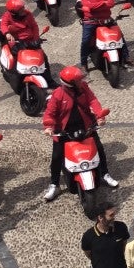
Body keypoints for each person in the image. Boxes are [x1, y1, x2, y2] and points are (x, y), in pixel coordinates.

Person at [41, 65, 118, 201]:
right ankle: (54, 184)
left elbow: (92, 100)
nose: (81, 82)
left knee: (99, 149)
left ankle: (104, 174)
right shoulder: (58, 94)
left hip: (86, 126)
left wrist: (100, 115)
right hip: (64, 131)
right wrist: (48, 126)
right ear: (70, 84)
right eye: (77, 80)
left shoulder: (83, 87)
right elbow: (50, 113)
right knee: (57, 157)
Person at [78, 0, 132, 70]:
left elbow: (111, 3)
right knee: (85, 41)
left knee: (119, 35)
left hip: (106, 18)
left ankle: (126, 56)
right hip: (91, 20)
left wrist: (94, 6)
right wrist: (103, 3)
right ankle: (84, 63)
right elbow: (87, 5)